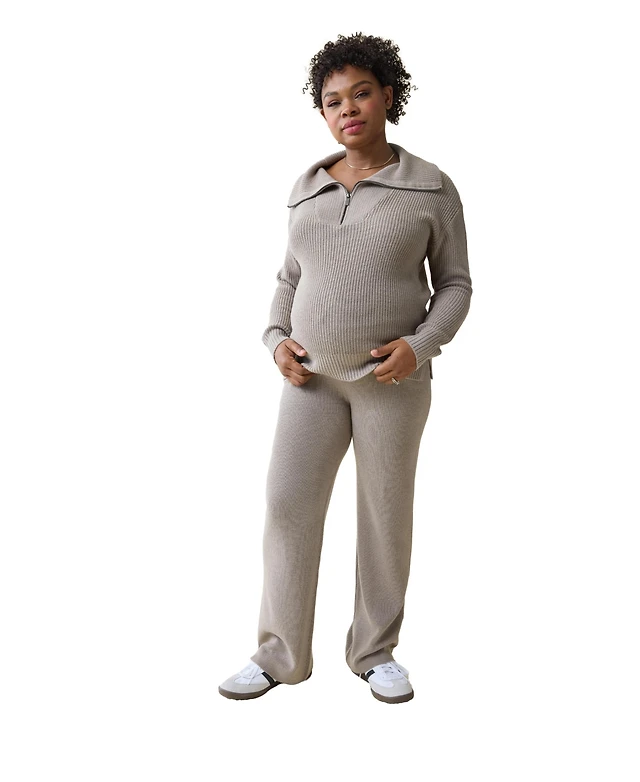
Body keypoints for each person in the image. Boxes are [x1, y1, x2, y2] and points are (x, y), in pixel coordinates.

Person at [218, 32, 472, 704]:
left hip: (393, 382)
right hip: (312, 381)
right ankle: (279, 655)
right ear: (324, 113)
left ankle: (374, 652)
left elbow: (455, 284)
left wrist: (421, 345)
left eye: (361, 93)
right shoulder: (307, 190)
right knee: (287, 504)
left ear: (388, 95)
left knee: (384, 514)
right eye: (333, 101)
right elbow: (289, 277)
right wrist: (276, 339)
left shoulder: (430, 187)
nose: (348, 108)